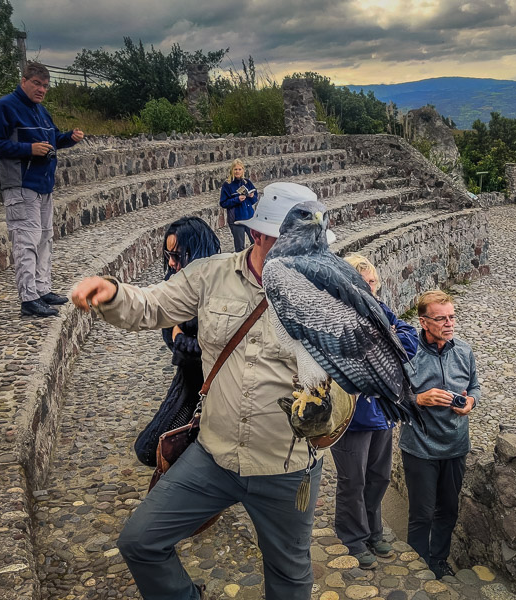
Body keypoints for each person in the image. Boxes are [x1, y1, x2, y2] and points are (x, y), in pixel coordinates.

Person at [71, 182, 329, 600]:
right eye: (293, 240)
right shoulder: (212, 274)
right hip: (214, 455)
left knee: (290, 576)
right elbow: (153, 304)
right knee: (140, 541)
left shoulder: (326, 289)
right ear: (260, 235)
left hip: (288, 466)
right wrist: (114, 293)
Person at [330, 254, 418, 569]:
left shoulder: (382, 311)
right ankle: (352, 536)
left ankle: (373, 530)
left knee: (378, 476)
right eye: (361, 282)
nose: (368, 288)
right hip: (351, 417)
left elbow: (409, 341)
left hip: (382, 412)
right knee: (353, 479)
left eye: (371, 282)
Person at [0, 61, 84, 318]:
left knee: (44, 238)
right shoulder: (4, 107)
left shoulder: (41, 111)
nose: (41, 90)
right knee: (26, 241)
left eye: (46, 86)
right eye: (37, 84)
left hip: (43, 185)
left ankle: (42, 289)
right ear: (23, 81)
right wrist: (28, 150)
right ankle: (29, 299)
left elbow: (51, 142)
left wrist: (68, 139)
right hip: (21, 185)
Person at [398, 290, 480, 579]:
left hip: (456, 446)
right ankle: (418, 565)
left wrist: (470, 402)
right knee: (421, 514)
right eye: (441, 318)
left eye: (452, 317)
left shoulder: (464, 351)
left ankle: (439, 561)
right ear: (423, 322)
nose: (449, 323)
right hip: (419, 447)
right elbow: (394, 395)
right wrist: (419, 399)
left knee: (448, 510)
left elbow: (474, 386)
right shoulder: (408, 352)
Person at [133, 217, 221, 467]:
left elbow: (205, 349)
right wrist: (178, 335)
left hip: (209, 386)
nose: (171, 262)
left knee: (153, 449)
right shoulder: (175, 281)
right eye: (168, 254)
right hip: (188, 380)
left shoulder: (218, 287)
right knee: (151, 448)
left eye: (178, 255)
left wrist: (179, 336)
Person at [219, 158, 257, 252]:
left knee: (256, 243)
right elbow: (223, 203)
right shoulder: (227, 185)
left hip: (249, 217)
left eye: (239, 169)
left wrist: (252, 196)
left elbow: (254, 200)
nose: (237, 171)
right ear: (232, 170)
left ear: (243, 170)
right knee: (240, 247)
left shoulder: (247, 183)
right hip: (236, 219)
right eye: (235, 169)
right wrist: (237, 199)